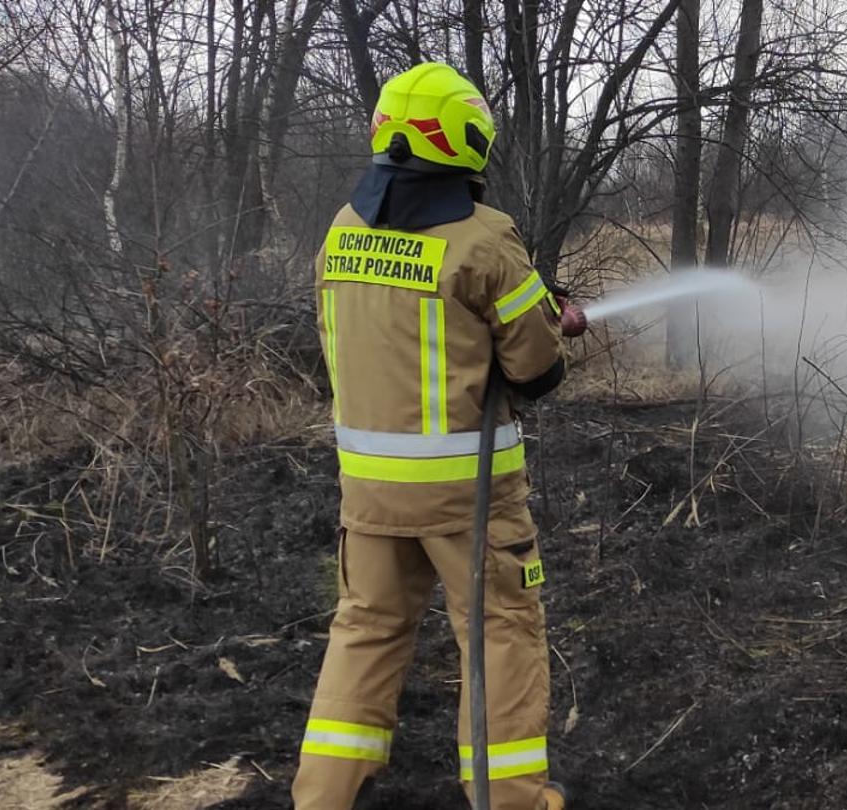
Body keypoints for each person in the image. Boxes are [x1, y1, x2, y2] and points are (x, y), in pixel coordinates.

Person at [293, 62, 585, 810]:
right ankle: (513, 801)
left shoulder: (342, 231)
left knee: (365, 634)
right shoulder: (485, 240)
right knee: (500, 637)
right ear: (465, 140)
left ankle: (322, 798)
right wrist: (551, 319)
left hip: (367, 496)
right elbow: (535, 370)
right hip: (467, 500)